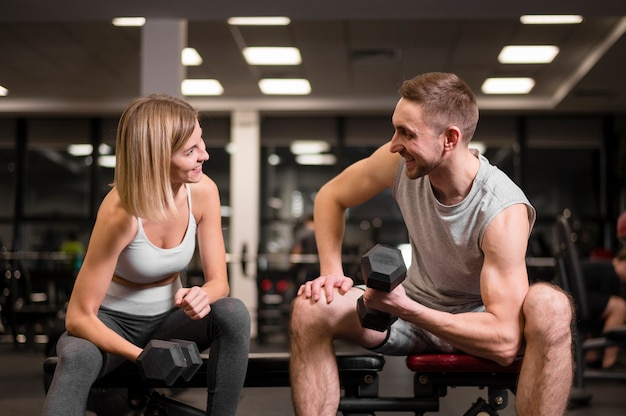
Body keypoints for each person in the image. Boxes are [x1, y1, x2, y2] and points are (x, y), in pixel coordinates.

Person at [289, 72, 574, 416]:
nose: (394, 144)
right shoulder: (400, 163)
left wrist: (407, 309)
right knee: (311, 306)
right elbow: (331, 196)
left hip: (475, 323)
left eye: (407, 134)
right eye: (395, 129)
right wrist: (331, 274)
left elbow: (503, 341)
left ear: (450, 139)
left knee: (552, 306)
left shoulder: (502, 209)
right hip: (410, 311)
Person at [43, 94, 250, 416]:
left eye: (201, 143)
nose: (205, 156)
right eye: (190, 151)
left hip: (171, 322)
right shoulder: (120, 211)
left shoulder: (204, 191)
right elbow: (79, 316)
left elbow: (219, 282)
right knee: (76, 355)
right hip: (112, 326)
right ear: (156, 156)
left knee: (232, 312)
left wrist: (202, 295)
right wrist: (141, 355)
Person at [582, 247, 626, 369]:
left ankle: (592, 355)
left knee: (610, 307)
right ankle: (609, 360)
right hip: (577, 303)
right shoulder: (610, 272)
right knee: (619, 307)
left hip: (573, 301)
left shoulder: (603, 267)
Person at [291, 214, 319, 285]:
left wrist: (293, 265)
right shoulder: (322, 234)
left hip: (305, 270)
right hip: (321, 268)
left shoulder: (302, 233)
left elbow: (297, 250)